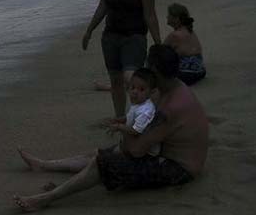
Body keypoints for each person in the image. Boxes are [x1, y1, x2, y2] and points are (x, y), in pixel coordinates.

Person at [14, 45, 208, 212]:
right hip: (165, 152)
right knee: (102, 153)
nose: (145, 69)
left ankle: (45, 199)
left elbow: (136, 150)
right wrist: (122, 123)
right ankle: (44, 165)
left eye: (148, 66)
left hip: (178, 169)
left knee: (104, 162)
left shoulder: (171, 107)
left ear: (156, 71)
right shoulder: (172, 87)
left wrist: (121, 132)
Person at [82, 0, 161, 118]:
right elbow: (102, 7)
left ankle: (148, 113)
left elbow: (150, 16)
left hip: (134, 38)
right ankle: (120, 118)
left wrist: (158, 44)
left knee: (132, 79)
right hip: (110, 38)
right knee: (116, 81)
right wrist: (89, 30)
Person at [104, 68, 160, 157]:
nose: (134, 92)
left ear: (151, 92)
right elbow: (132, 116)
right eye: (132, 87)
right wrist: (119, 120)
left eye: (141, 89)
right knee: (99, 156)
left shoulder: (146, 111)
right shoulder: (140, 104)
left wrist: (119, 127)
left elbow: (136, 130)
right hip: (132, 146)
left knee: (101, 159)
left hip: (144, 155)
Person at [164, 3, 206, 85]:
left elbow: (159, 53)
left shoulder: (174, 35)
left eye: (169, 15)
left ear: (176, 19)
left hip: (186, 74)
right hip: (200, 71)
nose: (167, 17)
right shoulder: (191, 32)